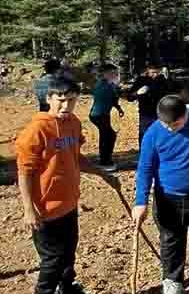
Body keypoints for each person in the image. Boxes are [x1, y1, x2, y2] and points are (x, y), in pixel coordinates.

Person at [18, 76, 117, 294]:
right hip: (45, 210)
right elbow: (24, 172)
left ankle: (67, 287)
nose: (66, 105)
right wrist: (29, 209)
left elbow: (76, 157)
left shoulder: (73, 123)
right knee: (52, 258)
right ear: (49, 99)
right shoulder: (36, 130)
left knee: (69, 251)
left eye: (71, 100)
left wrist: (103, 174)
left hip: (69, 203)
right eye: (61, 100)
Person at [132, 96, 189, 294]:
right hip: (168, 198)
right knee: (171, 241)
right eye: (165, 124)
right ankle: (173, 280)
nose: (170, 128)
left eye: (175, 124)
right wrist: (141, 201)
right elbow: (145, 168)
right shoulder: (153, 133)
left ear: (186, 114)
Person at [90, 63, 124, 172]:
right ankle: (104, 161)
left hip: (104, 114)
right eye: (113, 73)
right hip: (98, 115)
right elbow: (109, 96)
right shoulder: (102, 84)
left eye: (115, 73)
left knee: (106, 135)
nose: (115, 75)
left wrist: (119, 108)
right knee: (109, 135)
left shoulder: (108, 85)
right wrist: (117, 90)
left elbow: (113, 99)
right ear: (106, 74)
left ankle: (105, 158)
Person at [132, 63, 172, 142]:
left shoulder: (163, 81)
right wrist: (138, 93)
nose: (155, 75)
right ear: (148, 71)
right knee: (145, 137)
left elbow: (172, 93)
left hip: (161, 113)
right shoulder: (141, 80)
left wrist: (168, 79)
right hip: (145, 114)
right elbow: (130, 97)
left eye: (157, 72)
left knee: (162, 138)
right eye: (153, 73)